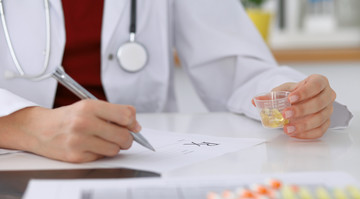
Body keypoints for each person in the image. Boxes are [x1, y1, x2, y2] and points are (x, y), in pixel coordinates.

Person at [0, 0, 346, 163]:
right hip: (15, 159)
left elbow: (238, 67)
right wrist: (28, 126)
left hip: (140, 160)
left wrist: (290, 96)